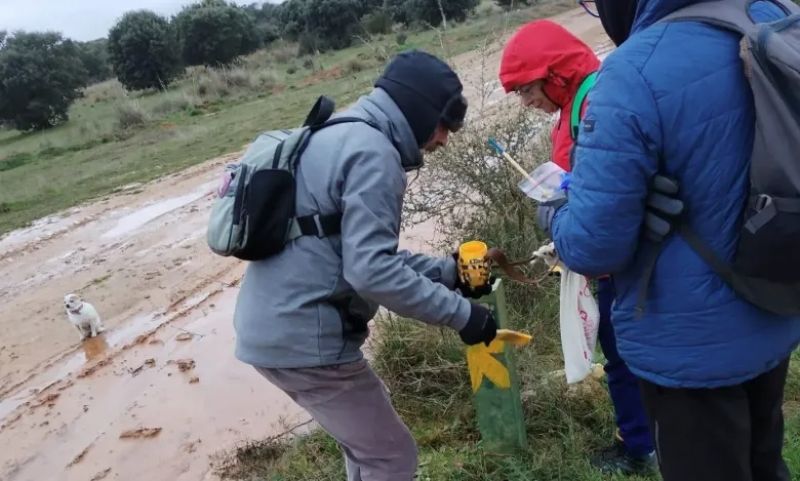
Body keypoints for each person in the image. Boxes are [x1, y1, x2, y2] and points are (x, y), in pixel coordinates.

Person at [541, 0, 800, 480]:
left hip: (689, 345)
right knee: (764, 462)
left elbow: (593, 246)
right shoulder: (769, 12)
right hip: (774, 298)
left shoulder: (634, 71)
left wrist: (555, 212)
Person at [232, 50, 498, 481]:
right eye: (444, 125)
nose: (444, 139)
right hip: (307, 338)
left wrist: (446, 273)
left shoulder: (337, 133)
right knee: (391, 456)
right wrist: (463, 315)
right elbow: (370, 272)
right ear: (419, 111)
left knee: (368, 449)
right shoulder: (375, 154)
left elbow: (349, 252)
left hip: (272, 328)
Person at [498, 19, 655, 475]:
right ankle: (644, 436)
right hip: (613, 254)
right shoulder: (578, 103)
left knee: (622, 354)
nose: (527, 103)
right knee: (623, 353)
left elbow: (600, 190)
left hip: (618, 260)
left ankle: (640, 448)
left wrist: (556, 211)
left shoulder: (592, 103)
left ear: (556, 73)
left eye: (527, 90)